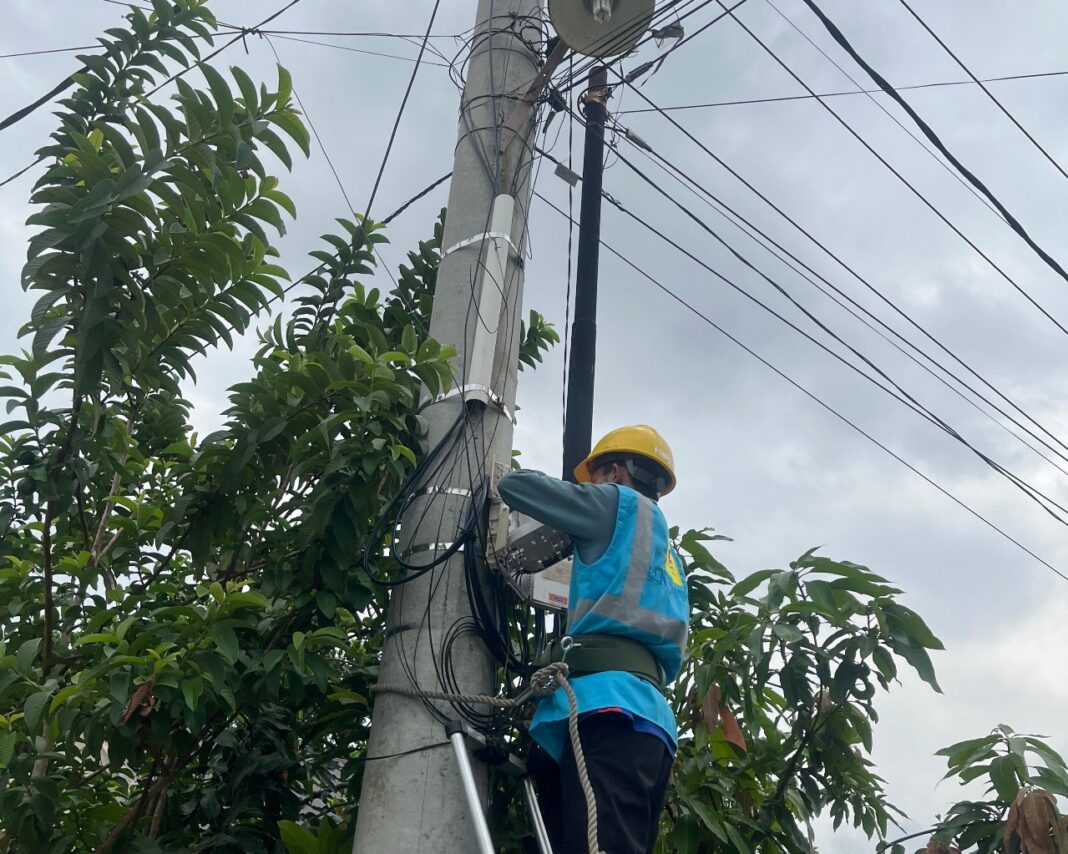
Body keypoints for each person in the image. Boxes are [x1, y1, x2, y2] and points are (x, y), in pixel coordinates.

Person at [497, 425, 689, 854]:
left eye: (595, 479)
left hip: (606, 709)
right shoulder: (667, 553)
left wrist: (574, 509)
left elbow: (516, 486)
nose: (592, 490)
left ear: (617, 472)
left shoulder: (615, 505)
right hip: (650, 723)